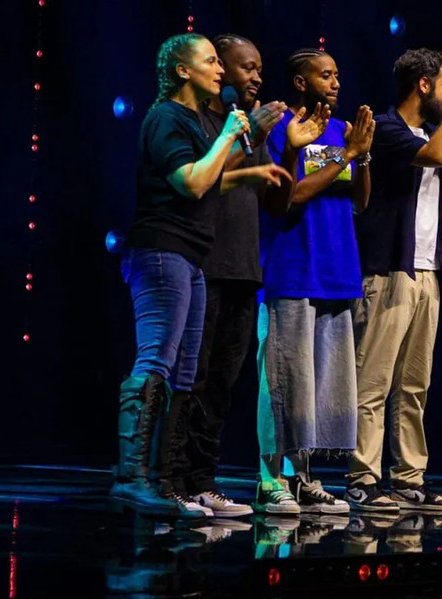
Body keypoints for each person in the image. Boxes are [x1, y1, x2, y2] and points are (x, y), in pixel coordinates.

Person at [112, 34, 283, 517]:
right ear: (183, 70)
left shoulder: (193, 121)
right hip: (162, 250)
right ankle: (132, 478)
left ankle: (168, 483)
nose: (220, 70)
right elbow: (190, 182)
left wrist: (246, 159)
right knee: (158, 361)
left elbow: (208, 176)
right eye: (210, 61)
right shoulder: (166, 116)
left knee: (187, 372)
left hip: (192, 254)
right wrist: (232, 135)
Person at [346, 49, 442, 514]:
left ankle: (410, 477)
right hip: (389, 269)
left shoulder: (440, 131)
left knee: (415, 385)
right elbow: (435, 156)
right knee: (373, 381)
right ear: (424, 86)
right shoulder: (389, 130)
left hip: (429, 273)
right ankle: (362, 477)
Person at [167, 33, 292, 518]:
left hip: (244, 270)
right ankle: (174, 480)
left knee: (222, 383)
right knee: (192, 379)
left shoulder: (247, 126)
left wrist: (289, 152)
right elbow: (200, 183)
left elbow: (277, 202)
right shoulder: (206, 125)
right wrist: (252, 138)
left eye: (259, 68)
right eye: (245, 67)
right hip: (204, 265)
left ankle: (203, 481)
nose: (255, 76)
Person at [255, 48, 373, 514]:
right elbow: (291, 195)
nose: (336, 82)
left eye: (338, 73)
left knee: (323, 387)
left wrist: (361, 158)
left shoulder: (344, 130)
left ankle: (304, 478)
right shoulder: (281, 129)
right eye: (326, 75)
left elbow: (361, 202)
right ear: (300, 82)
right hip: (292, 269)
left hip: (337, 270)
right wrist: (345, 155)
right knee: (284, 381)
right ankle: (270, 478)